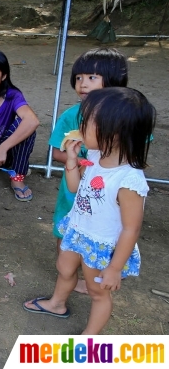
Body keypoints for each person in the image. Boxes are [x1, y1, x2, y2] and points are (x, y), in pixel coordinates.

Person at [24, 87, 155, 334]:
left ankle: (88, 338)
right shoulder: (94, 155)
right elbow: (74, 188)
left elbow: (131, 228)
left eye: (88, 122)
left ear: (114, 132)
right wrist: (72, 161)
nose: (81, 126)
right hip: (78, 229)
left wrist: (115, 269)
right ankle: (57, 303)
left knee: (97, 292)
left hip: (101, 244)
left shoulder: (128, 180)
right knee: (64, 268)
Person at [49, 48, 129, 294]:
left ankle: (93, 276)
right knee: (66, 232)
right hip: (73, 191)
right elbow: (56, 153)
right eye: (78, 78)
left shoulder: (128, 114)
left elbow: (135, 153)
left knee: (101, 236)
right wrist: (78, 161)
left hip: (105, 197)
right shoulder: (71, 116)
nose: (82, 84)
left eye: (92, 77)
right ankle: (68, 275)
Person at [0, 50, 39, 201]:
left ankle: (17, 178)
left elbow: (32, 121)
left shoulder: (12, 95)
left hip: (3, 154)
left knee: (25, 126)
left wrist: (3, 148)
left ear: (3, 76)